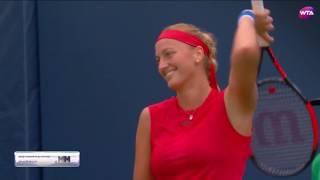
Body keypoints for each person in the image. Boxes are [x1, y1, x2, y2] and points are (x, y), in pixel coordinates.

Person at [133, 8, 274, 180]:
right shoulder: (150, 117)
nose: (162, 66)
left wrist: (248, 18)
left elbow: (245, 51)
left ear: (198, 54)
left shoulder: (233, 104)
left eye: (168, 54)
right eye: (158, 60)